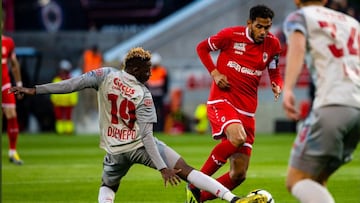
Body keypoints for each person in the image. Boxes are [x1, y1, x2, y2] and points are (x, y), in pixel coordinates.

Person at [10, 47, 268, 203]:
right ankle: (232, 199)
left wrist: (35, 90)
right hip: (140, 146)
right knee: (186, 170)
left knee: (108, 185)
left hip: (114, 150)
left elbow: (71, 84)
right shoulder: (143, 96)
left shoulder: (104, 75)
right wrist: (163, 168)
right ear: (134, 67)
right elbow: (147, 137)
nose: (149, 73)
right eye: (146, 69)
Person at [189, 4, 282, 203]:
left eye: (267, 27)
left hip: (248, 110)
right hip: (223, 101)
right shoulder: (230, 36)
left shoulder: (273, 44)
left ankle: (198, 199)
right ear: (249, 23)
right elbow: (202, 47)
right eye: (259, 27)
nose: (264, 32)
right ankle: (195, 182)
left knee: (238, 174)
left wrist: (276, 83)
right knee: (237, 137)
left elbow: (274, 69)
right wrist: (215, 73)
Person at [282, 0, 360, 203]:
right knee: (317, 178)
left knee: (295, 180)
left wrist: (288, 87)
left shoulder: (300, 17)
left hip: (332, 105)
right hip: (356, 107)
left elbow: (297, 48)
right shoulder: (351, 22)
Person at [2, 20, 24, 165]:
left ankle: (13, 152)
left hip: (5, 83)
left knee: (12, 114)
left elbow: (14, 64)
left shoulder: (8, 42)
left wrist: (20, 85)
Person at [50, 59, 78, 135]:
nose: (62, 72)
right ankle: (60, 131)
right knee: (59, 117)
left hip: (68, 102)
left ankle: (68, 130)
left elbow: (74, 91)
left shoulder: (71, 79)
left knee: (68, 117)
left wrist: (73, 101)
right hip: (58, 102)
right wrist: (54, 100)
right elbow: (53, 90)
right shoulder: (56, 79)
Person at [146, 52, 169, 132]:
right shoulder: (148, 71)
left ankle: (161, 129)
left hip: (160, 96)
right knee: (151, 113)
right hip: (151, 96)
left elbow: (166, 84)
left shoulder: (162, 71)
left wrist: (164, 93)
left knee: (161, 113)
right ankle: (153, 129)